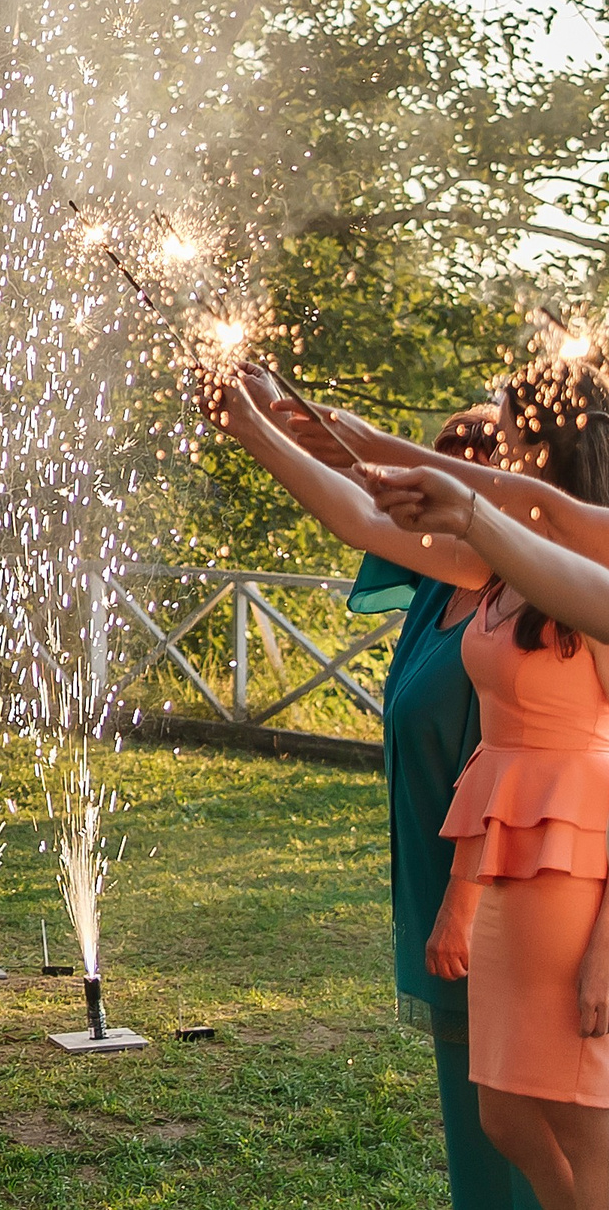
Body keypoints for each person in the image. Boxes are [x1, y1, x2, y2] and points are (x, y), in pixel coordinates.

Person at [208, 383, 537, 1207]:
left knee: (521, 1117)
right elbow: (362, 496)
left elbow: (505, 756)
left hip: (498, 875)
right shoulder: (441, 588)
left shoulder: (519, 583)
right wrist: (270, 419)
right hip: (435, 859)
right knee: (477, 1108)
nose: (428, 496)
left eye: (459, 475)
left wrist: (460, 901)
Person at [352, 369, 609, 1210]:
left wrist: (606, 951)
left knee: (583, 1126)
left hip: (573, 865)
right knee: (503, 1111)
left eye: (504, 434)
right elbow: (361, 513)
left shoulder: (590, 568)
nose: (490, 450)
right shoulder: (501, 560)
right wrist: (279, 427)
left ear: (543, 445)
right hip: (505, 864)